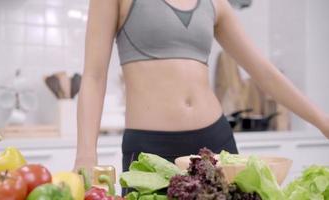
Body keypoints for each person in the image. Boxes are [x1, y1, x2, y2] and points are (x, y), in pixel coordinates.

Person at [74, 0, 329, 177]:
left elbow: (265, 74)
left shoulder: (215, 3)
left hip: (215, 142)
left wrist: (323, 121)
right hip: (150, 151)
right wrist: (86, 153)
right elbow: (95, 76)